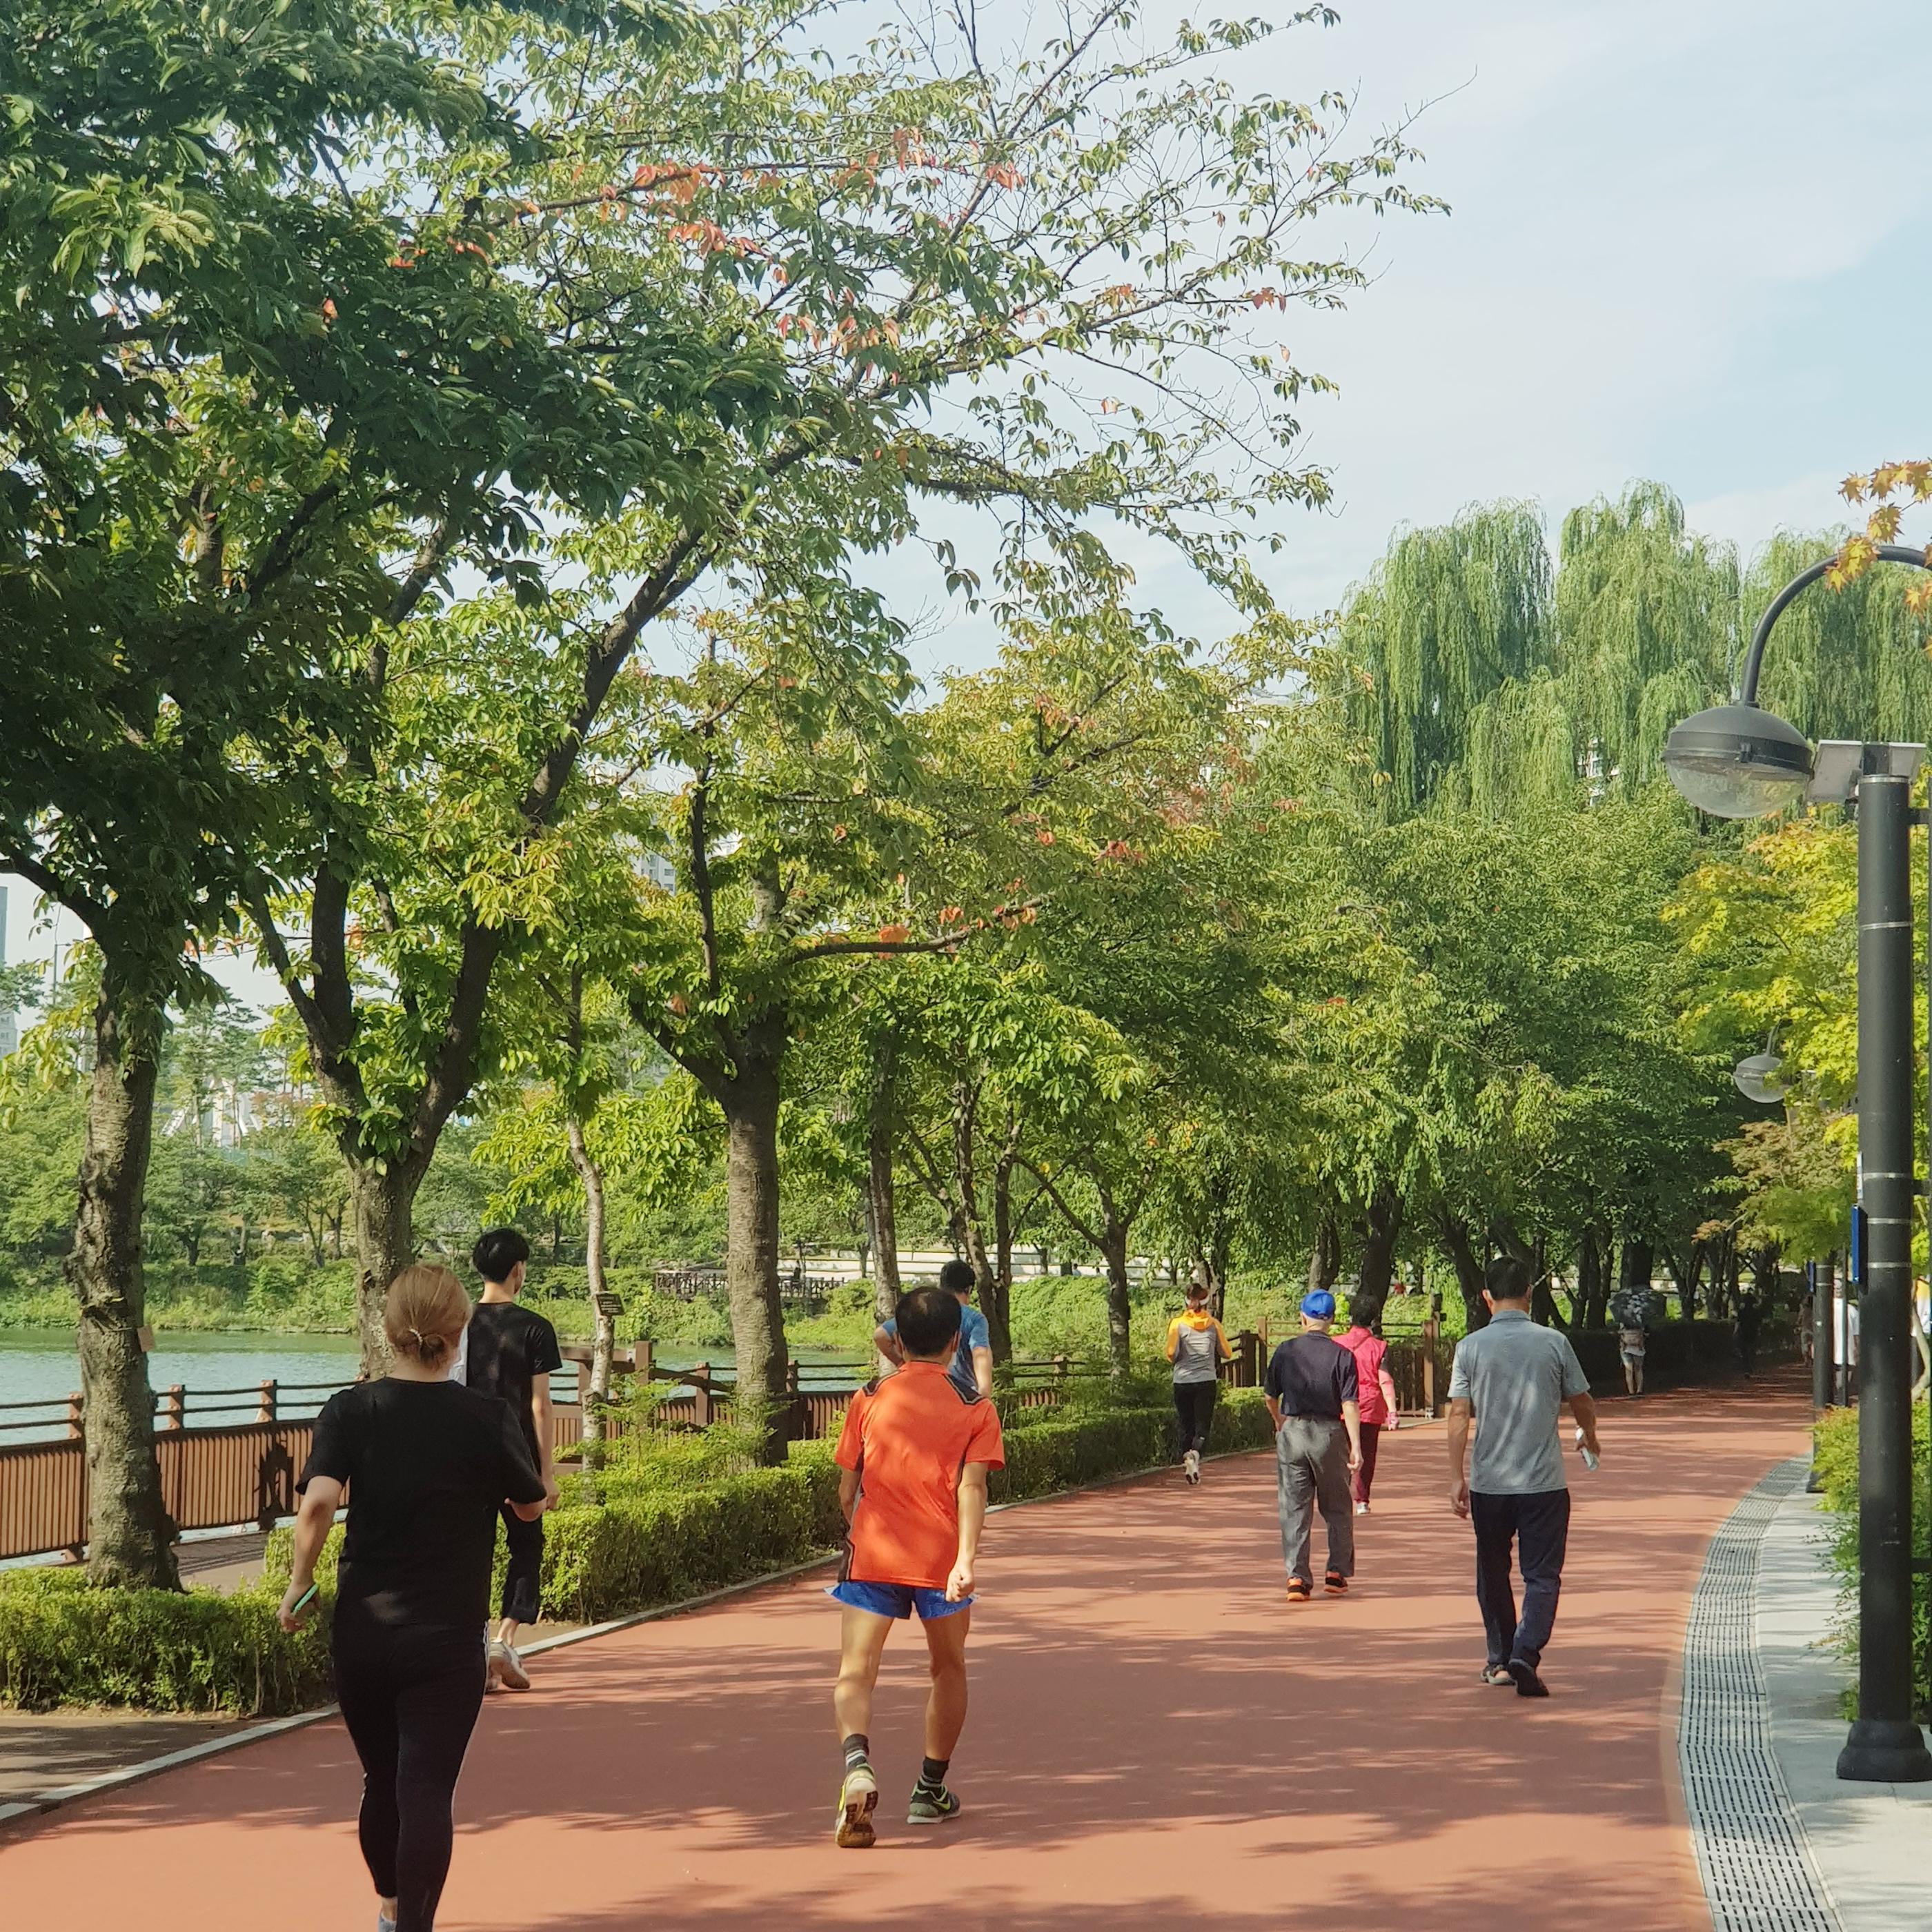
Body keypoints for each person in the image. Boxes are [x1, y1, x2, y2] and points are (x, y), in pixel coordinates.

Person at [278, 1265, 547, 1932]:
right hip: (446, 1637)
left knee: (381, 1781)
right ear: (459, 1335)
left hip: (363, 1632)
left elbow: (316, 1503)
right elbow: (531, 1501)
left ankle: (390, 1907)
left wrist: (298, 1583)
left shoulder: (350, 1409)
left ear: (388, 1331)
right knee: (426, 1787)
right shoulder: (486, 1416)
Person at [829, 1287, 1005, 1848]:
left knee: (857, 1670)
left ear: (898, 1341)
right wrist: (966, 1560)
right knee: (948, 1667)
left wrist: (860, 1522)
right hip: (940, 1559)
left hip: (873, 1552)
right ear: (957, 1341)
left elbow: (846, 1486)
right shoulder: (976, 1407)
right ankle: (929, 1791)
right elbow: (972, 1488)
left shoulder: (869, 1396)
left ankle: (857, 1762)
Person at [1446, 1256, 1600, 1698]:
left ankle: (1498, 1660)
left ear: (1486, 1297)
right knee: (1542, 1575)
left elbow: (1459, 1413)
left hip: (1489, 1482)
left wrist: (1455, 1476)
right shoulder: (1554, 1342)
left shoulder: (1469, 1348)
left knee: (1492, 1570)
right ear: (1530, 1292)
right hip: (1544, 1483)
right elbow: (1583, 1399)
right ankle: (1525, 1652)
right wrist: (1589, 1435)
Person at [462, 1227, 563, 1692]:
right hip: (517, 1458)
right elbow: (541, 1405)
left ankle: (476, 1646)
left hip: (465, 1461)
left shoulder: (458, 1324)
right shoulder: (534, 1327)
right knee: (526, 1548)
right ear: (519, 1270)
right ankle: (505, 1638)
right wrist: (547, 1474)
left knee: (470, 1552)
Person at [1263, 1289, 1363, 1603]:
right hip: (1330, 1433)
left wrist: (1280, 1421)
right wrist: (1356, 1445)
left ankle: (1297, 1577)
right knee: (1337, 1506)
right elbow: (1349, 1403)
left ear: (1302, 1317)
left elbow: (1269, 1396)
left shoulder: (1285, 1351)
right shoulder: (1342, 1356)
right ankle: (1335, 1572)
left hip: (1293, 1432)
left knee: (1294, 1507)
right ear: (1331, 1320)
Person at [875, 1257, 994, 1399]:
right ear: (968, 1289)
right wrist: (984, 1392)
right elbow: (980, 1353)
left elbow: (880, 1336)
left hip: (920, 1392)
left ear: (941, 1285)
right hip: (961, 1394)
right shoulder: (974, 1319)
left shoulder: (925, 1310)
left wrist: (903, 1363)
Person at [1164, 1269, 1234, 1483]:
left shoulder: (1177, 1324)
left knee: (1186, 1424)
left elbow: (1170, 1354)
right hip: (1206, 1381)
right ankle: (1195, 1454)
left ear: (1187, 1302)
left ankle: (1188, 1456)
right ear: (1205, 1303)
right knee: (1202, 1425)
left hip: (1182, 1381)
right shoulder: (1214, 1325)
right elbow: (1227, 1352)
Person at [1337, 1298, 1399, 1513]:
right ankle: (1362, 1500)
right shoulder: (1379, 1346)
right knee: (1367, 1454)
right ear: (1373, 1319)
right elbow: (1385, 1380)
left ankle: (1341, 1494)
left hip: (1341, 1405)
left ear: (1350, 1316)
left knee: (1341, 1452)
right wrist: (1392, 1411)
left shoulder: (1337, 1343)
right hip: (1370, 1406)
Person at [1735, 1290, 1763, 1378]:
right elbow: (1759, 1323)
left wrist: (1735, 1332)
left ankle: (1746, 1369)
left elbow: (1738, 1322)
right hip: (1753, 1332)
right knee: (1752, 1350)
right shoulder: (1756, 1311)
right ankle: (1753, 1367)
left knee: (1744, 1351)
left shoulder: (1742, 1311)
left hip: (1743, 1332)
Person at [1617, 1313, 1646, 1396]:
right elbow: (1645, 1334)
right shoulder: (1640, 1319)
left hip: (1626, 1348)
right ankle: (1639, 1390)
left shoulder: (1623, 1319)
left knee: (1628, 1370)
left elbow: (1621, 1334)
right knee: (1638, 1369)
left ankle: (1631, 1392)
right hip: (1638, 1348)